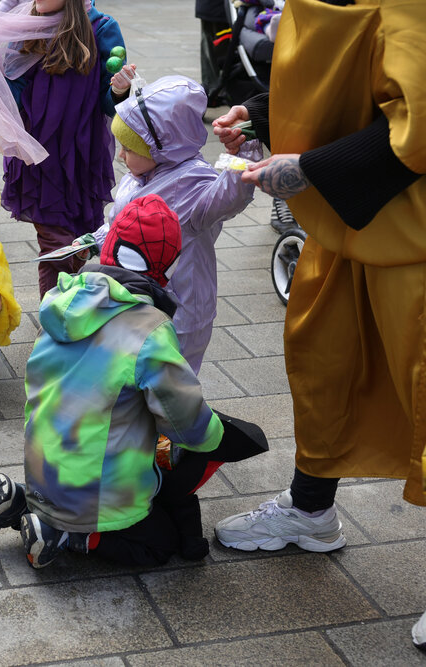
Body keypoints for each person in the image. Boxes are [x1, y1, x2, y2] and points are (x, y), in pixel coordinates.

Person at [207, 0, 426, 648]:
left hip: (413, 230)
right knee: (320, 357)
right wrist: (264, 115)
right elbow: (342, 80)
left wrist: (309, 169)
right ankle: (311, 510)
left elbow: (417, 121)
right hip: (346, 224)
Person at [0, 196, 243, 568]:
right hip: (92, 496)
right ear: (166, 268)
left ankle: (23, 501)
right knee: (161, 542)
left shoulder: (62, 300)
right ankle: (73, 536)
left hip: (43, 471)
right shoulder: (149, 330)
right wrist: (216, 437)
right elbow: (184, 417)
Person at [0, 0, 126, 299]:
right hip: (39, 159)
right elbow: (15, 96)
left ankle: (70, 307)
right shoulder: (27, 27)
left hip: (81, 158)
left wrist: (120, 90)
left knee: (77, 244)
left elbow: (107, 103)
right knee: (55, 245)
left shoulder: (102, 28)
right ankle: (53, 328)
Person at [89, 74, 259, 374]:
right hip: (131, 299)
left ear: (160, 148)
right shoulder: (138, 176)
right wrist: (96, 239)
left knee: (172, 381)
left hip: (180, 307)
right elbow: (120, 225)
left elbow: (230, 195)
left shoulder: (194, 184)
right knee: (129, 375)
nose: (121, 155)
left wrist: (242, 153)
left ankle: (175, 419)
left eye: (129, 149)